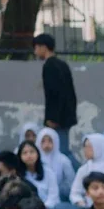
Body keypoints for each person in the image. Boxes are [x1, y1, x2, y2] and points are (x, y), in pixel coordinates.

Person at [33, 33, 79, 170]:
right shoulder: (62, 64)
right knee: (62, 150)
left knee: (62, 152)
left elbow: (54, 94)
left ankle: (82, 173)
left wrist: (53, 118)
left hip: (58, 118)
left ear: (44, 47)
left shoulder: (49, 66)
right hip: (66, 116)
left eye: (36, 47)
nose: (35, 51)